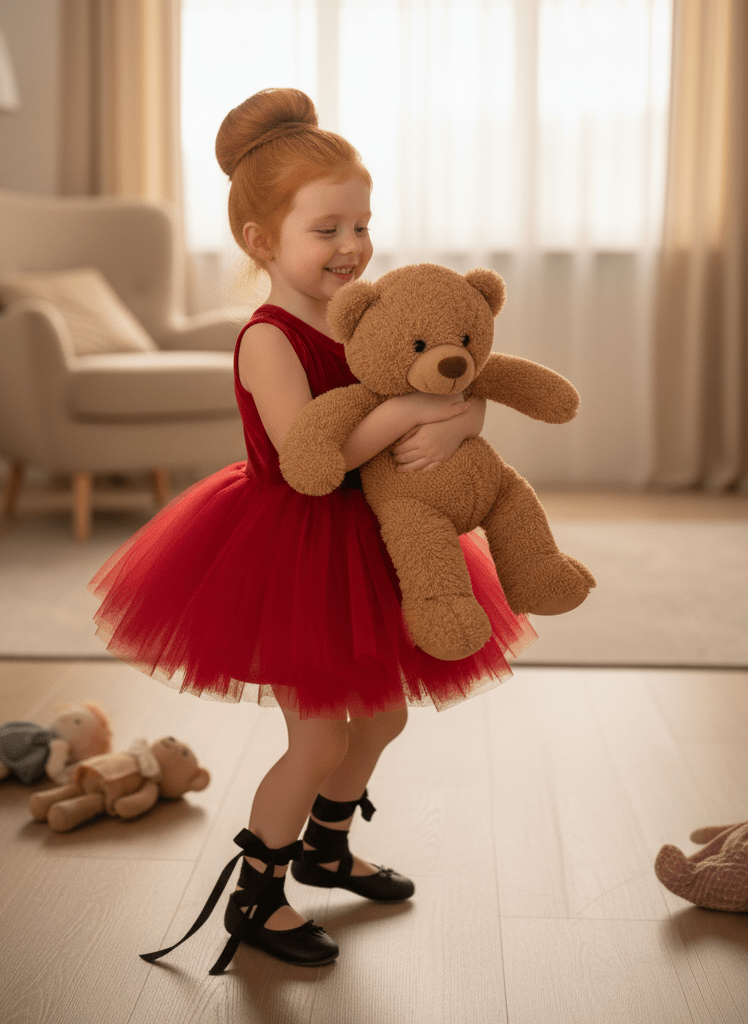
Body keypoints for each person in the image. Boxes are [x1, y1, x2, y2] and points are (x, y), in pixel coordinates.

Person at [88, 88, 536, 974]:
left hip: (374, 534)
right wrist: (419, 408)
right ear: (262, 242)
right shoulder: (268, 338)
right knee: (321, 735)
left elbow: (452, 362)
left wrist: (466, 409)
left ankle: (328, 845)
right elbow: (310, 455)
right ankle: (257, 896)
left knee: (385, 718)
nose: (352, 248)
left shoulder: (366, 316)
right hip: (294, 543)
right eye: (326, 230)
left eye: (361, 225)